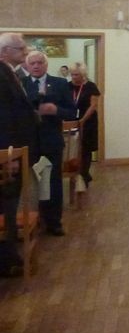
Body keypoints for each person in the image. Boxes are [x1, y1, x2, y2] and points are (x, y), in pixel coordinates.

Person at [23, 50, 76, 236]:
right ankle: (31, 221)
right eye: (32, 63)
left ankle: (54, 222)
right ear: (27, 66)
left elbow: (72, 112)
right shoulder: (20, 84)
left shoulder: (60, 83)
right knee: (29, 183)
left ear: (46, 64)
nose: (36, 66)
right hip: (28, 143)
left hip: (51, 141)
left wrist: (56, 110)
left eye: (40, 62)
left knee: (53, 183)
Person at [0, 33, 37, 277]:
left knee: (10, 207)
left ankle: (10, 257)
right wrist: (9, 156)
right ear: (5, 51)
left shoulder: (10, 73)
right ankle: (7, 261)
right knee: (7, 207)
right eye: (21, 48)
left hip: (14, 153)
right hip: (8, 157)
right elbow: (3, 118)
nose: (25, 52)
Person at [68, 62, 101, 185]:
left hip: (88, 121)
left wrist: (82, 120)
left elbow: (93, 105)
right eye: (72, 74)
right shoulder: (67, 86)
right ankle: (74, 174)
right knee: (73, 148)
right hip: (72, 121)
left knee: (86, 149)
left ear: (83, 74)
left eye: (76, 74)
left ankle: (84, 175)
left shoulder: (91, 86)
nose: (73, 77)